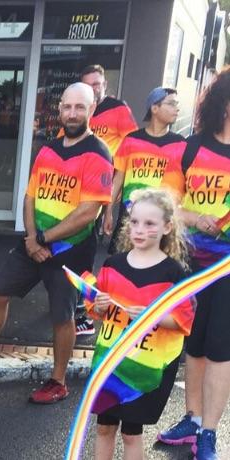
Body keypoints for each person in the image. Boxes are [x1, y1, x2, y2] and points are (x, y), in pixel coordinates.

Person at [0, 83, 113, 404]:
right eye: (67, 107)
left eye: (80, 107)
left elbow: (88, 213)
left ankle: (58, 381)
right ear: (59, 109)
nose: (72, 113)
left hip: (70, 251)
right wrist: (31, 238)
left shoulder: (99, 153)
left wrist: (43, 239)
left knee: (62, 316)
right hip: (34, 243)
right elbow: (30, 196)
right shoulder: (48, 149)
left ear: (92, 109)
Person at [156, 67, 230, 460]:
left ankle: (209, 433)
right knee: (195, 346)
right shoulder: (190, 148)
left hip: (227, 272)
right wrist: (196, 218)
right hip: (191, 265)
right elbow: (167, 204)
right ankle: (193, 419)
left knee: (221, 349)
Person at [87, 188, 193, 460]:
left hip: (144, 368)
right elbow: (97, 308)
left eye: (149, 224)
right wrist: (98, 305)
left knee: (131, 434)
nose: (139, 229)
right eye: (134, 222)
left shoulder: (173, 273)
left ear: (167, 227)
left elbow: (184, 319)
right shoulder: (113, 264)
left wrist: (151, 315)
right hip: (110, 362)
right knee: (103, 429)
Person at [74, 64, 139, 335]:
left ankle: (86, 311)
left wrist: (113, 201)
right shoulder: (79, 111)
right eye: (88, 84)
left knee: (92, 248)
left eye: (97, 83)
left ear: (104, 85)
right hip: (79, 187)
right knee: (79, 245)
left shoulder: (118, 109)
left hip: (105, 188)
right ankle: (78, 303)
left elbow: (131, 147)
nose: (93, 88)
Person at [103, 88, 185, 255]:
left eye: (177, 104)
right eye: (171, 104)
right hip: (129, 219)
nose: (177, 109)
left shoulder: (182, 145)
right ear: (154, 108)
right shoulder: (131, 140)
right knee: (121, 262)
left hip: (163, 224)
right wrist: (108, 211)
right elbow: (118, 179)